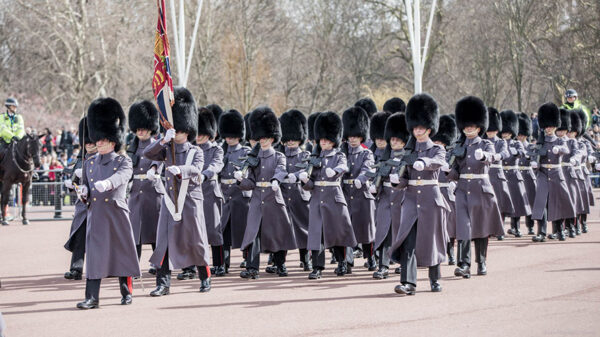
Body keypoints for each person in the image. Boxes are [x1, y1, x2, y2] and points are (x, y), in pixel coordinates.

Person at [145, 87, 212, 296]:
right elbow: (148, 153)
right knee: (163, 241)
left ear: (188, 131)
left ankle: (205, 278)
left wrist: (180, 170)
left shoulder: (196, 151)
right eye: (177, 130)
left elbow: (196, 169)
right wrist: (164, 139)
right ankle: (163, 283)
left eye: (182, 130)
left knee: (196, 240)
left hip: (190, 200)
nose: (179, 133)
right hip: (169, 200)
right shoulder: (167, 149)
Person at [74, 97, 140, 309]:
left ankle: (126, 291)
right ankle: (92, 297)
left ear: (113, 141)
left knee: (122, 253)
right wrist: (83, 192)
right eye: (97, 139)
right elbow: (86, 191)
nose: (98, 142)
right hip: (97, 215)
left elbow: (123, 177)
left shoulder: (123, 160)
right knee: (94, 256)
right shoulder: (89, 162)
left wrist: (108, 183)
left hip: (116, 213)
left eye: (103, 139)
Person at [389, 93, 449, 295]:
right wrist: (397, 182)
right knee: (408, 240)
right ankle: (408, 283)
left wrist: (424, 163)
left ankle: (434, 279)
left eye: (421, 128)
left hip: (431, 199)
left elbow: (439, 162)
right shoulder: (408, 151)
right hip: (411, 199)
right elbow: (405, 177)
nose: (418, 131)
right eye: (415, 128)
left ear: (429, 128)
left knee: (431, 239)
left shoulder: (437, 149)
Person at [235, 106, 297, 279]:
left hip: (273, 197)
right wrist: (241, 180)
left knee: (277, 232)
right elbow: (250, 183)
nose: (263, 141)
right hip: (257, 198)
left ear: (272, 138)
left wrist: (276, 180)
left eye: (266, 137)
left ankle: (280, 264)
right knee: (253, 233)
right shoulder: (252, 158)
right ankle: (252, 267)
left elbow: (281, 169)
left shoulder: (279, 156)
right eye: (260, 138)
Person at [447, 96, 504, 279]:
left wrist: (483, 157)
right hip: (463, 189)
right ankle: (463, 264)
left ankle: (481, 261)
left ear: (479, 127)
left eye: (472, 126)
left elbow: (494, 157)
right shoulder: (458, 145)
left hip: (481, 189)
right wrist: (449, 171)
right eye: (466, 126)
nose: (469, 129)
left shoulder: (486, 144)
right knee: (463, 227)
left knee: (481, 228)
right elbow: (455, 172)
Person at [300, 111, 357, 279]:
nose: (323, 142)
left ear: (333, 140)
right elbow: (311, 185)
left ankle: (342, 262)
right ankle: (318, 267)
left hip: (334, 197)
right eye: (321, 139)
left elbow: (344, 167)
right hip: (317, 198)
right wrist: (305, 181)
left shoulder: (339, 155)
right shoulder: (314, 157)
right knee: (318, 233)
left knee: (338, 232)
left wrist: (335, 171)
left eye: (326, 139)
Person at [531, 103, 576, 242]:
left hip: (556, 173)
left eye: (551, 126)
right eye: (547, 126)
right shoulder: (540, 141)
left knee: (557, 202)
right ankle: (541, 232)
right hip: (543, 173)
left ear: (555, 126)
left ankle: (560, 230)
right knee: (541, 202)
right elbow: (533, 153)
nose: (549, 129)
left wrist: (559, 150)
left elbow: (566, 150)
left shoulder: (560, 140)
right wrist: (533, 161)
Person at [127, 100, 162, 274]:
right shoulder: (131, 147)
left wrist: (154, 169)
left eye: (143, 128)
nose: (140, 131)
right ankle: (134, 265)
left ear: (150, 127)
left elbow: (159, 158)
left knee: (155, 231)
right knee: (135, 233)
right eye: (138, 128)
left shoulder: (157, 144)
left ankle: (158, 263)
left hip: (152, 191)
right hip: (135, 192)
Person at [370, 112, 406, 279]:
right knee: (383, 231)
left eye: (398, 140)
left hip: (402, 197)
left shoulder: (408, 157)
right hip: (385, 197)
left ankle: (402, 263)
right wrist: (374, 187)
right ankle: (382, 265)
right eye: (392, 140)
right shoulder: (384, 157)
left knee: (401, 232)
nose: (394, 142)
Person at [341, 106, 377, 271]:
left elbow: (368, 169)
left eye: (356, 136)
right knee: (346, 228)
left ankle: (370, 258)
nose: (353, 139)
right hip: (345, 193)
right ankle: (347, 261)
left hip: (361, 193)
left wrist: (361, 180)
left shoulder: (366, 153)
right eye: (350, 136)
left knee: (366, 229)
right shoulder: (343, 152)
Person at [63, 117, 97, 281]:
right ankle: (76, 269)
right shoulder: (80, 159)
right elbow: (74, 183)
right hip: (82, 206)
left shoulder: (103, 158)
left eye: (92, 142)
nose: (89, 145)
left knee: (101, 239)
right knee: (79, 238)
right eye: (87, 143)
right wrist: (70, 185)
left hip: (98, 205)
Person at [218, 109, 251, 272]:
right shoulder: (221, 151)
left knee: (243, 228)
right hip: (224, 194)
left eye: (233, 135)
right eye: (227, 135)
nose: (229, 138)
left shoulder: (245, 152)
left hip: (241, 195)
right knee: (224, 230)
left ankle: (246, 258)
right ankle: (224, 263)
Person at [279, 109, 312, 271]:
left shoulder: (305, 155)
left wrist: (297, 175)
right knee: (282, 228)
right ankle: (280, 262)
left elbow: (307, 168)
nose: (291, 141)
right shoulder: (280, 155)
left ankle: (305, 259)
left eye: (294, 138)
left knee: (303, 228)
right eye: (288, 139)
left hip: (300, 194)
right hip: (283, 194)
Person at [196, 107, 225, 276]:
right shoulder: (191, 148)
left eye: (202, 133)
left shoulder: (216, 149)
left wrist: (205, 175)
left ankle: (219, 263)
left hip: (210, 191)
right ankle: (193, 265)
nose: (199, 136)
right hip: (193, 192)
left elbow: (216, 165)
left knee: (213, 230)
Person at [500, 109, 532, 237]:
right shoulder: (498, 143)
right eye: (504, 132)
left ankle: (516, 227)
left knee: (516, 203)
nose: (505, 134)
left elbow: (523, 153)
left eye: (508, 132)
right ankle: (500, 229)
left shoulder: (516, 143)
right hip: (502, 175)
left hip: (513, 173)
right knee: (501, 203)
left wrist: (516, 152)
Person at [431, 115, 458, 265]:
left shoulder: (452, 155)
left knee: (450, 225)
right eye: (436, 141)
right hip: (433, 193)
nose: (438, 144)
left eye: (441, 142)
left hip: (447, 192)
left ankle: (450, 251)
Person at [485, 107, 514, 240]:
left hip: (497, 173)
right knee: (488, 204)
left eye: (492, 130)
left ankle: (500, 229)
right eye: (488, 130)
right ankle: (490, 229)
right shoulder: (483, 142)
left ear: (497, 130)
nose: (490, 133)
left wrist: (497, 156)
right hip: (486, 174)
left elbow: (506, 153)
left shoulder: (501, 142)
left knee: (500, 204)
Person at [516, 113, 538, 235]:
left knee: (530, 201)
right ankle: (516, 226)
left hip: (528, 175)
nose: (520, 137)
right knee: (517, 201)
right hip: (517, 174)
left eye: (522, 134)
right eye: (518, 134)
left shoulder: (530, 146)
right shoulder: (513, 145)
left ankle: (530, 226)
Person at [0, 97, 25, 164]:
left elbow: (21, 129)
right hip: (5, 143)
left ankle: (32, 171)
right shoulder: (1, 117)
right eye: (13, 106)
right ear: (8, 106)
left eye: (16, 106)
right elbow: (3, 129)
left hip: (18, 142)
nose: (15, 108)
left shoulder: (19, 117)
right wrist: (12, 137)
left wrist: (18, 137)